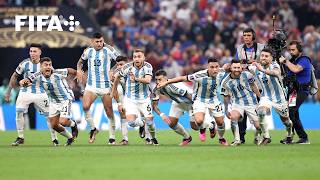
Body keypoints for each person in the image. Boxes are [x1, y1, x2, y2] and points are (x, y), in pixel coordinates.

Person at [158, 57, 228, 146]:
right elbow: (183, 78)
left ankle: (221, 138)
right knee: (198, 121)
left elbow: (231, 67)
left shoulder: (221, 71)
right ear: (208, 67)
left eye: (216, 67)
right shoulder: (199, 75)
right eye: (212, 67)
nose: (214, 69)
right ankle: (201, 130)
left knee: (221, 122)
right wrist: (167, 82)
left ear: (219, 66)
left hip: (213, 100)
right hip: (199, 100)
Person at [5, 44, 58, 146]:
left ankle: (54, 139)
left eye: (35, 51)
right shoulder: (24, 63)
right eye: (31, 51)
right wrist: (8, 91)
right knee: (19, 112)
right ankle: (20, 137)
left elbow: (53, 77)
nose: (32, 53)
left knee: (49, 116)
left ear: (40, 53)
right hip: (25, 91)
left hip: (41, 92)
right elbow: (15, 75)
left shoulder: (45, 64)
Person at [19, 57, 78, 146]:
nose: (48, 67)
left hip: (65, 99)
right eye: (46, 65)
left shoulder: (57, 73)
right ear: (40, 67)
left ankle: (73, 125)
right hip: (53, 101)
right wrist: (23, 83)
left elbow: (70, 71)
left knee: (63, 121)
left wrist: (78, 73)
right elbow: (23, 81)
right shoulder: (37, 75)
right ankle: (70, 138)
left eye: (50, 65)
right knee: (54, 125)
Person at [76, 32, 120, 144]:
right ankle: (93, 128)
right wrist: (78, 69)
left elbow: (120, 61)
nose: (100, 44)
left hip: (106, 86)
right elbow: (80, 62)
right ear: (92, 41)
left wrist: (112, 70)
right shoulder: (88, 51)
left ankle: (112, 137)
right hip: (92, 86)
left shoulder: (109, 50)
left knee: (109, 111)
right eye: (97, 42)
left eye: (101, 41)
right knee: (85, 106)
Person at [112, 49, 159, 145]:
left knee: (150, 123)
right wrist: (113, 90)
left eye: (139, 56)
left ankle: (153, 138)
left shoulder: (147, 66)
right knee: (131, 123)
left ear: (143, 58)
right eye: (134, 57)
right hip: (130, 99)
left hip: (144, 99)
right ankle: (142, 123)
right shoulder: (127, 67)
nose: (136, 59)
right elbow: (117, 77)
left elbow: (148, 80)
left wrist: (136, 79)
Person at [250, 48, 293, 145]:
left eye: (266, 56)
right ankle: (266, 136)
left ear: (271, 58)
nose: (263, 58)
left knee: (286, 121)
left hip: (280, 99)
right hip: (266, 97)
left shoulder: (274, 65)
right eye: (262, 55)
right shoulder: (255, 67)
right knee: (261, 112)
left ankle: (289, 134)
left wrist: (261, 69)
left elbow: (276, 73)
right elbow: (241, 67)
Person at [221, 60, 262, 146]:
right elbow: (225, 96)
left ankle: (256, 137)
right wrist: (226, 110)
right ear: (230, 68)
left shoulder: (247, 74)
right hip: (237, 103)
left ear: (241, 68)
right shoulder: (225, 81)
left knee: (258, 126)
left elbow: (254, 86)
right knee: (233, 117)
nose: (237, 69)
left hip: (251, 102)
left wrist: (261, 99)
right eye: (234, 67)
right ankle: (237, 140)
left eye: (238, 67)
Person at [235, 28, 265, 144]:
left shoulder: (262, 47)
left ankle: (260, 136)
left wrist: (256, 63)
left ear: (253, 36)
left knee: (259, 112)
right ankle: (241, 137)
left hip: (258, 83)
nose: (246, 37)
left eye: (248, 35)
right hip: (244, 85)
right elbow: (235, 63)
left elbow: (268, 60)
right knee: (242, 113)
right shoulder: (239, 48)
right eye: (244, 35)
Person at [279, 40, 312, 144]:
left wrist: (285, 61)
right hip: (293, 90)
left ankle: (304, 137)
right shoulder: (293, 60)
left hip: (302, 90)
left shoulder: (304, 60)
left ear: (300, 50)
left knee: (291, 111)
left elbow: (296, 70)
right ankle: (290, 137)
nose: (291, 52)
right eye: (290, 50)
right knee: (293, 113)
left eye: (293, 50)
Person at [152, 69, 192, 146]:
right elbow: (155, 105)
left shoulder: (172, 85)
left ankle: (211, 125)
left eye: (160, 79)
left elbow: (187, 94)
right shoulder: (156, 89)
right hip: (177, 102)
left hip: (189, 102)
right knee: (171, 123)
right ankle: (187, 138)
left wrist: (196, 104)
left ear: (166, 79)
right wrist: (162, 115)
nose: (157, 82)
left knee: (196, 126)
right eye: (156, 80)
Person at [110, 55, 130, 145]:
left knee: (139, 118)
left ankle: (148, 137)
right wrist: (119, 103)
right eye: (117, 65)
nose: (119, 67)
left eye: (121, 64)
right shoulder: (116, 74)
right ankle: (125, 139)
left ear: (127, 63)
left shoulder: (134, 70)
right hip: (124, 97)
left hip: (136, 97)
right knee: (123, 114)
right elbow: (114, 90)